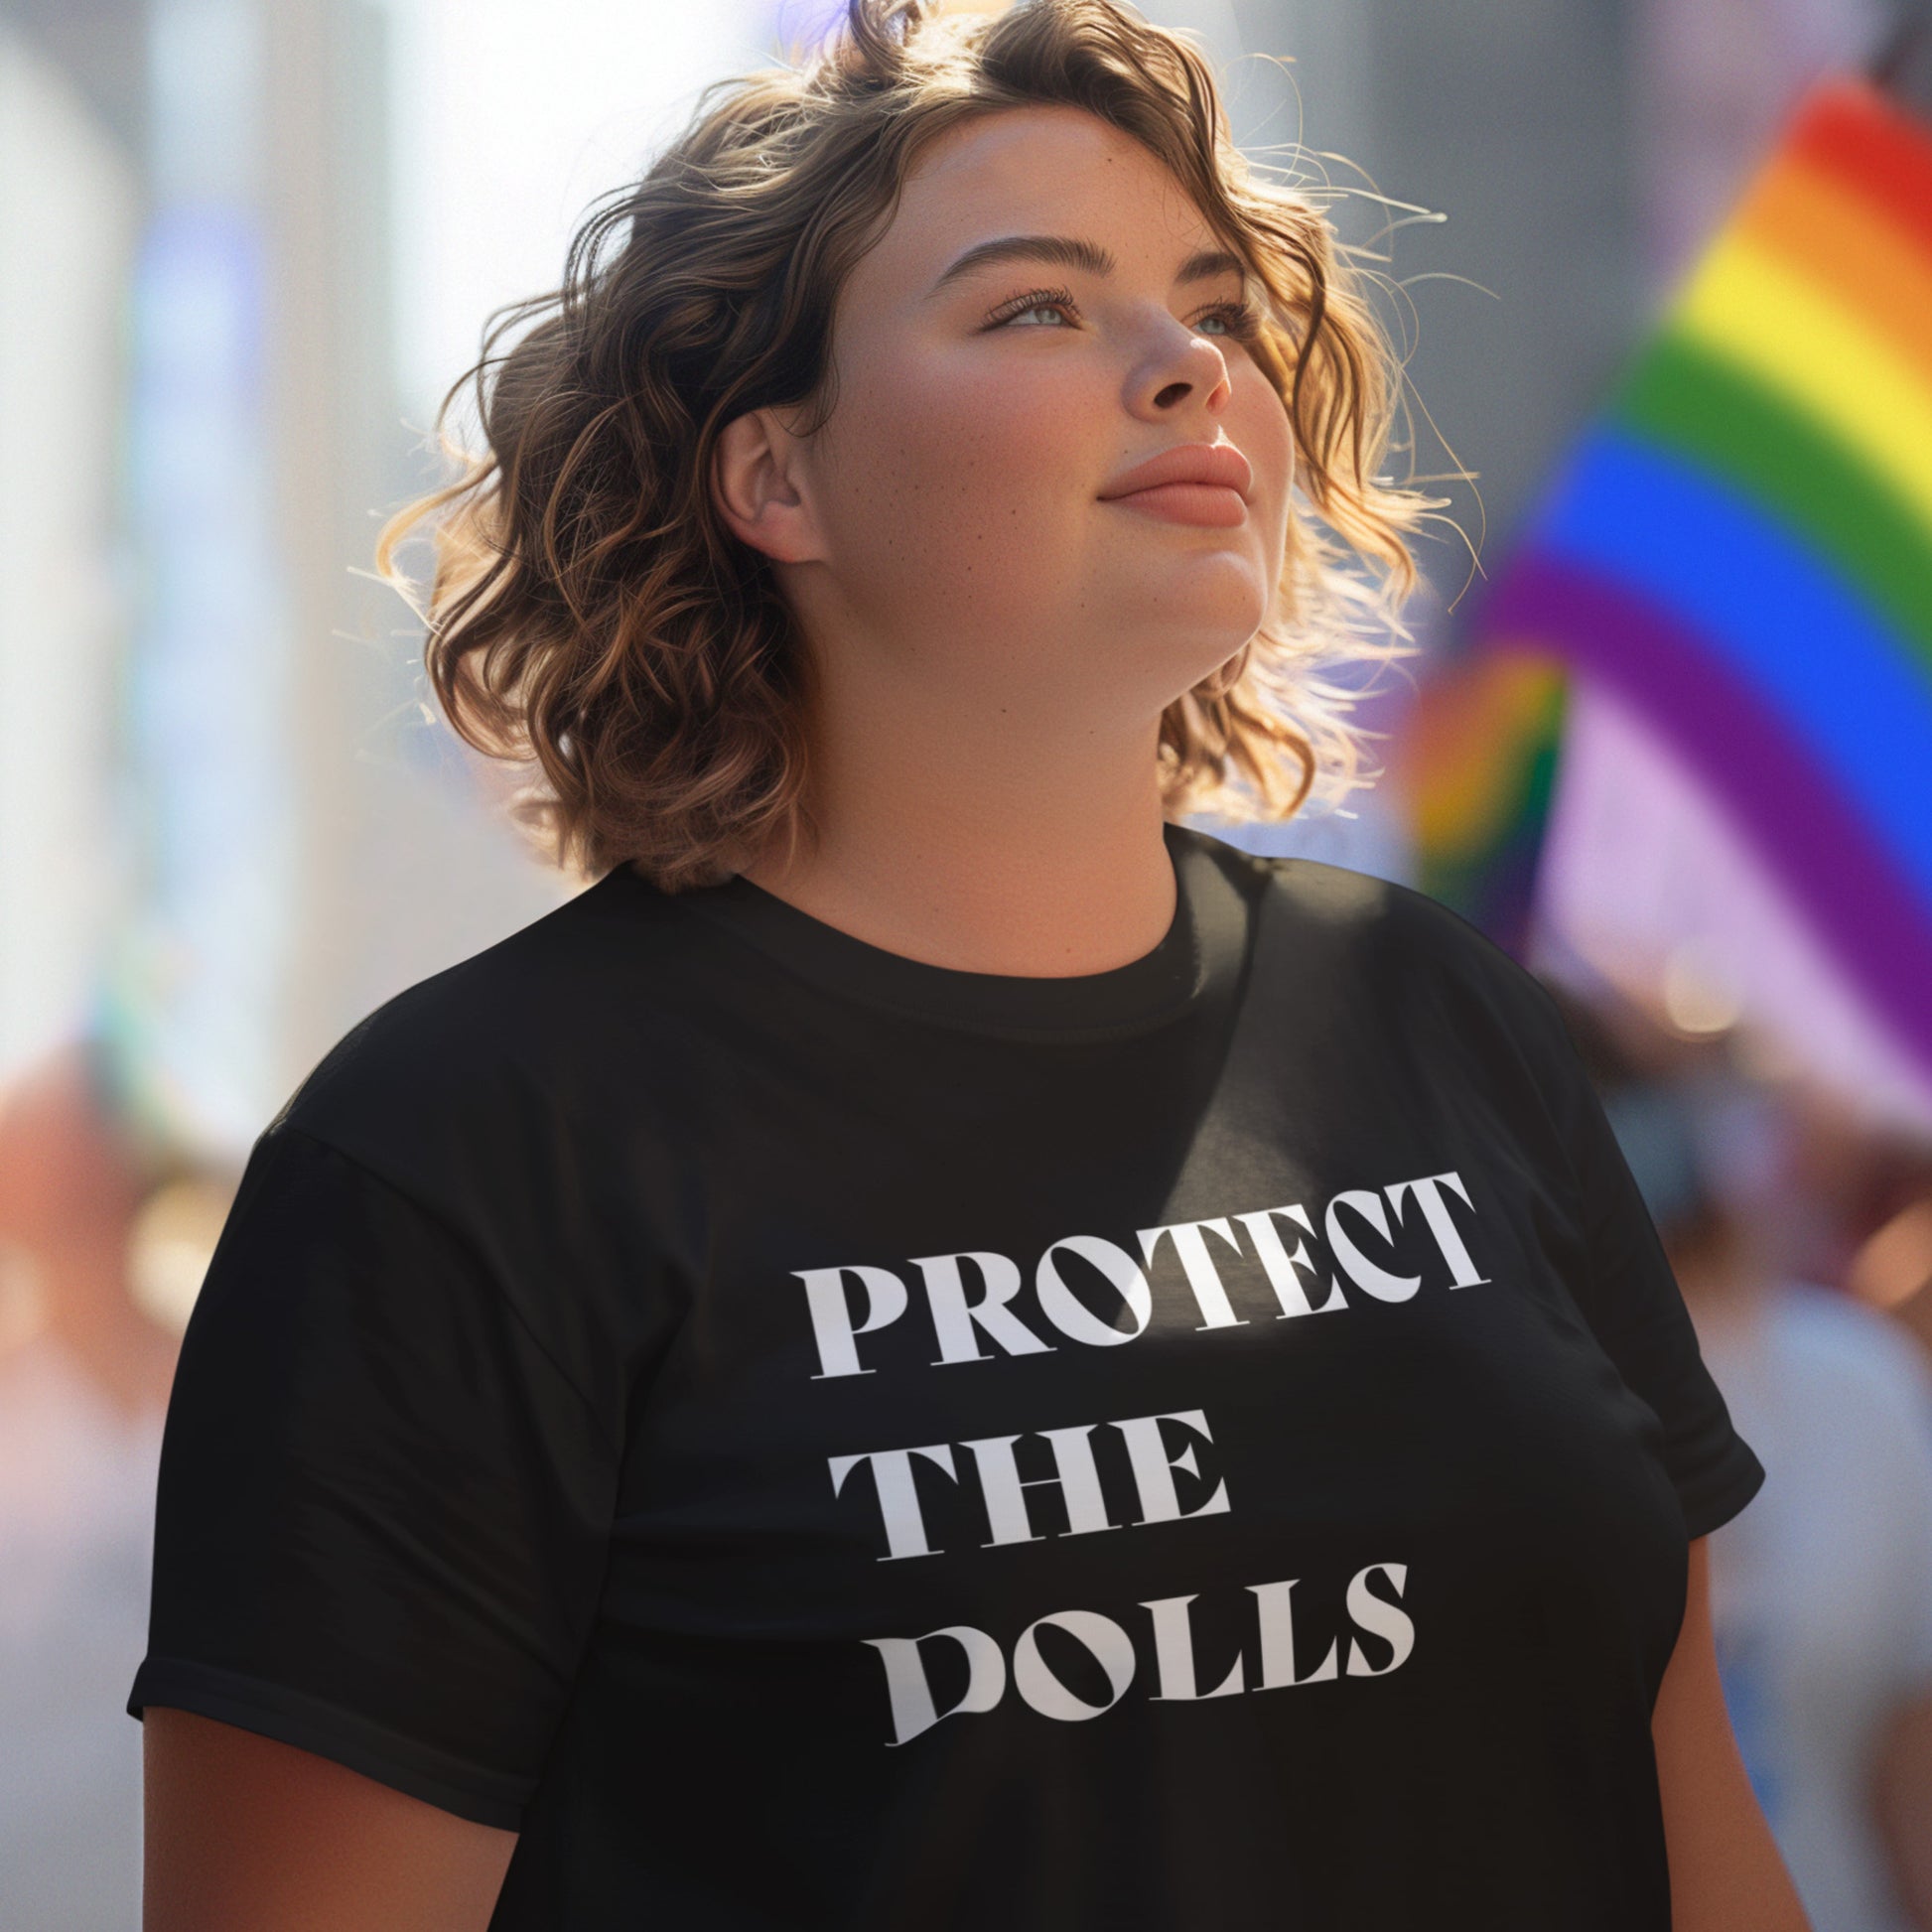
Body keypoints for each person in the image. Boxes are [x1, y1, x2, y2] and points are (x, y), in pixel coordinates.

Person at [130, 3, 1809, 1927]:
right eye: (1036, 308)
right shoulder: (459, 1154)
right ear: (777, 480)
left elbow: (1694, 1826)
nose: (1190, 366)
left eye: (1211, 303)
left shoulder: (1443, 1016)